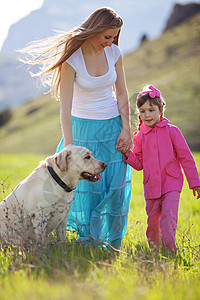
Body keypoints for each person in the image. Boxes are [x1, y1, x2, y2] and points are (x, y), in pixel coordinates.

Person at [20, 7, 133, 248]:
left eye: (114, 37)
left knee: (114, 188)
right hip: (83, 131)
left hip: (112, 127)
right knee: (86, 193)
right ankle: (87, 241)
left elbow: (122, 92)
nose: (110, 41)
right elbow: (66, 107)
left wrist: (127, 129)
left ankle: (112, 244)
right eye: (107, 36)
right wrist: (69, 146)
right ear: (95, 29)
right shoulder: (72, 59)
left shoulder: (115, 53)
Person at [122, 84, 200, 253]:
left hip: (171, 183)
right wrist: (127, 154)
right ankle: (156, 252)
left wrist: (195, 182)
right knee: (152, 223)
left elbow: (186, 158)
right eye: (142, 111)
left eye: (151, 110)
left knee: (168, 219)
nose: (147, 115)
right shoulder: (140, 137)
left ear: (160, 110)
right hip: (151, 187)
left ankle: (171, 251)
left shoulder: (173, 131)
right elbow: (139, 164)